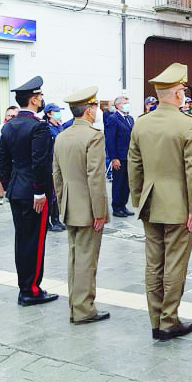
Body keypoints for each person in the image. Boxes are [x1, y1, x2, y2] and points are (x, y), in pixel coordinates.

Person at [128, 63, 192, 341]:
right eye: (182, 90)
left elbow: (134, 165)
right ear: (176, 95)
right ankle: (168, 320)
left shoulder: (141, 123)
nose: (184, 94)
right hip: (179, 205)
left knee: (153, 263)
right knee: (174, 264)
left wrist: (139, 200)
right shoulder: (187, 124)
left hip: (150, 201)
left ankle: (155, 319)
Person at [0, 76, 58, 307]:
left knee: (22, 239)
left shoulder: (10, 125)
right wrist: (39, 192)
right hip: (34, 193)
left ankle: (26, 286)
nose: (42, 100)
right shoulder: (38, 126)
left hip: (16, 190)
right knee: (35, 241)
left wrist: (10, 183)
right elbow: (40, 162)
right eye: (40, 96)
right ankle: (31, 290)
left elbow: (3, 161)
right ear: (33, 99)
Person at [53, 86, 110, 325]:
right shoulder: (93, 136)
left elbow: (56, 174)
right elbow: (95, 177)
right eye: (95, 107)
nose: (97, 111)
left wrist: (61, 204)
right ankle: (84, 309)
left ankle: (75, 307)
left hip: (69, 204)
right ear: (88, 110)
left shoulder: (62, 135)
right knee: (87, 259)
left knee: (75, 257)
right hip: (87, 206)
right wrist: (100, 211)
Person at [105, 96, 135, 217]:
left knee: (127, 183)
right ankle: (116, 207)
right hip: (119, 156)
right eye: (124, 103)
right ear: (117, 105)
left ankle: (123, 205)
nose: (127, 105)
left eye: (128, 103)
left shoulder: (130, 119)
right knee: (118, 182)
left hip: (129, 156)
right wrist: (113, 158)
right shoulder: (113, 119)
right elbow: (110, 140)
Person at [43, 103, 66, 232]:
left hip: (60, 162)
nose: (58, 113)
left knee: (57, 193)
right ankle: (48, 222)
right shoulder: (47, 127)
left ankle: (56, 219)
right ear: (49, 114)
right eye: (55, 111)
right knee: (50, 193)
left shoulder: (60, 126)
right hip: (50, 162)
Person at [0, 106, 19, 205]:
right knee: (2, 175)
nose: (11, 117)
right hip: (5, 158)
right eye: (9, 115)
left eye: (14, 115)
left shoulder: (20, 128)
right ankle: (1, 195)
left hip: (17, 159)